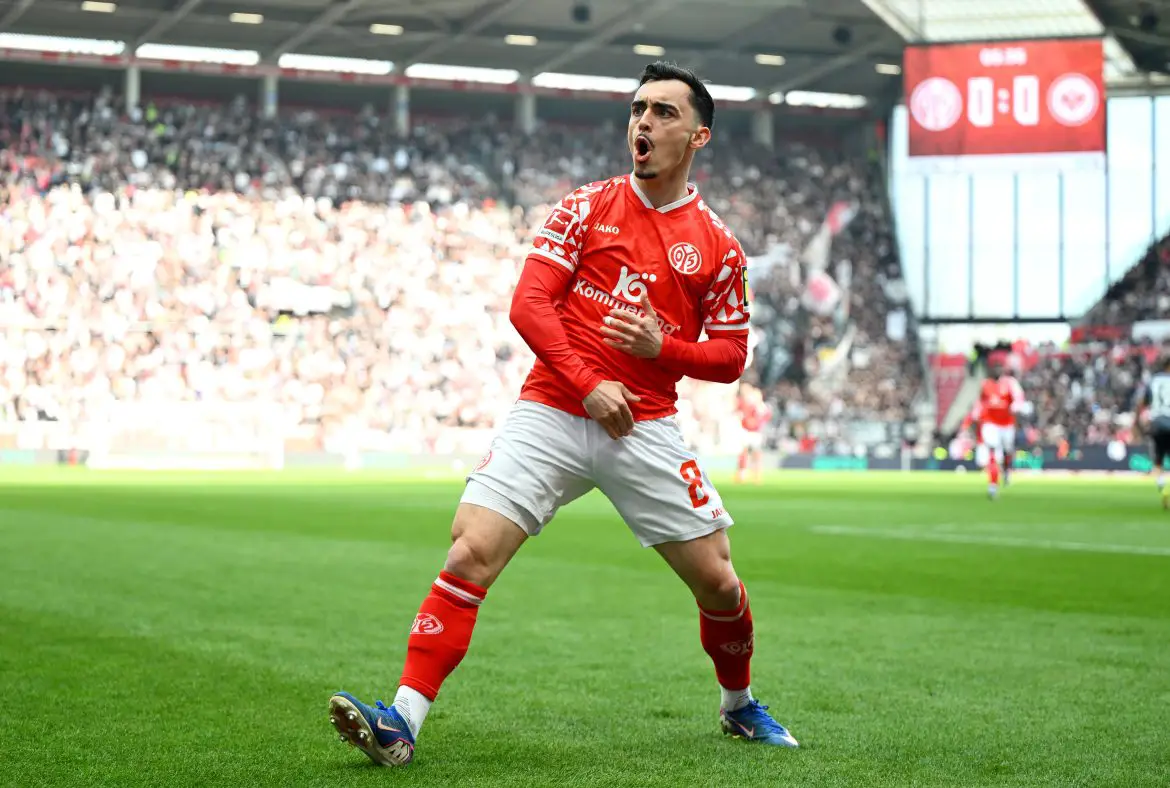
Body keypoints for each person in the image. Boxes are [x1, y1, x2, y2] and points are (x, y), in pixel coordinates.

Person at [328, 61, 798, 767]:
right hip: (552, 408)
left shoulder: (719, 247)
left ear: (698, 136)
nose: (644, 122)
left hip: (644, 425)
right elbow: (529, 304)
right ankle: (401, 723)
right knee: (469, 551)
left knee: (719, 581)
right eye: (638, 108)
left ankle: (738, 705)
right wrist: (587, 383)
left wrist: (662, 348)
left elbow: (731, 357)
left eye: (664, 112)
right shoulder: (585, 206)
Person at [962, 362, 1025, 499]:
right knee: (992, 453)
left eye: (999, 368)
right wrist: (975, 414)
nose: (997, 370)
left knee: (1007, 451)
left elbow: (1019, 397)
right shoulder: (985, 384)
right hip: (990, 423)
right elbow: (980, 401)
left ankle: (1007, 470)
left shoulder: (1010, 383)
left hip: (1006, 424)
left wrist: (1015, 407)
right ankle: (993, 485)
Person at [1140, 357, 1170, 509]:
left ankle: (1163, 487)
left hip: (1157, 424)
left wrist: (1137, 422)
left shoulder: (1154, 380)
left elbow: (1143, 403)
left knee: (1158, 461)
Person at [735, 384, 770, 484]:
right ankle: (742, 473)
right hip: (746, 431)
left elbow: (765, 417)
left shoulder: (761, 407)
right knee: (744, 453)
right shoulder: (748, 405)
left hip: (756, 432)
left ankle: (756, 474)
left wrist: (756, 421)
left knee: (756, 454)